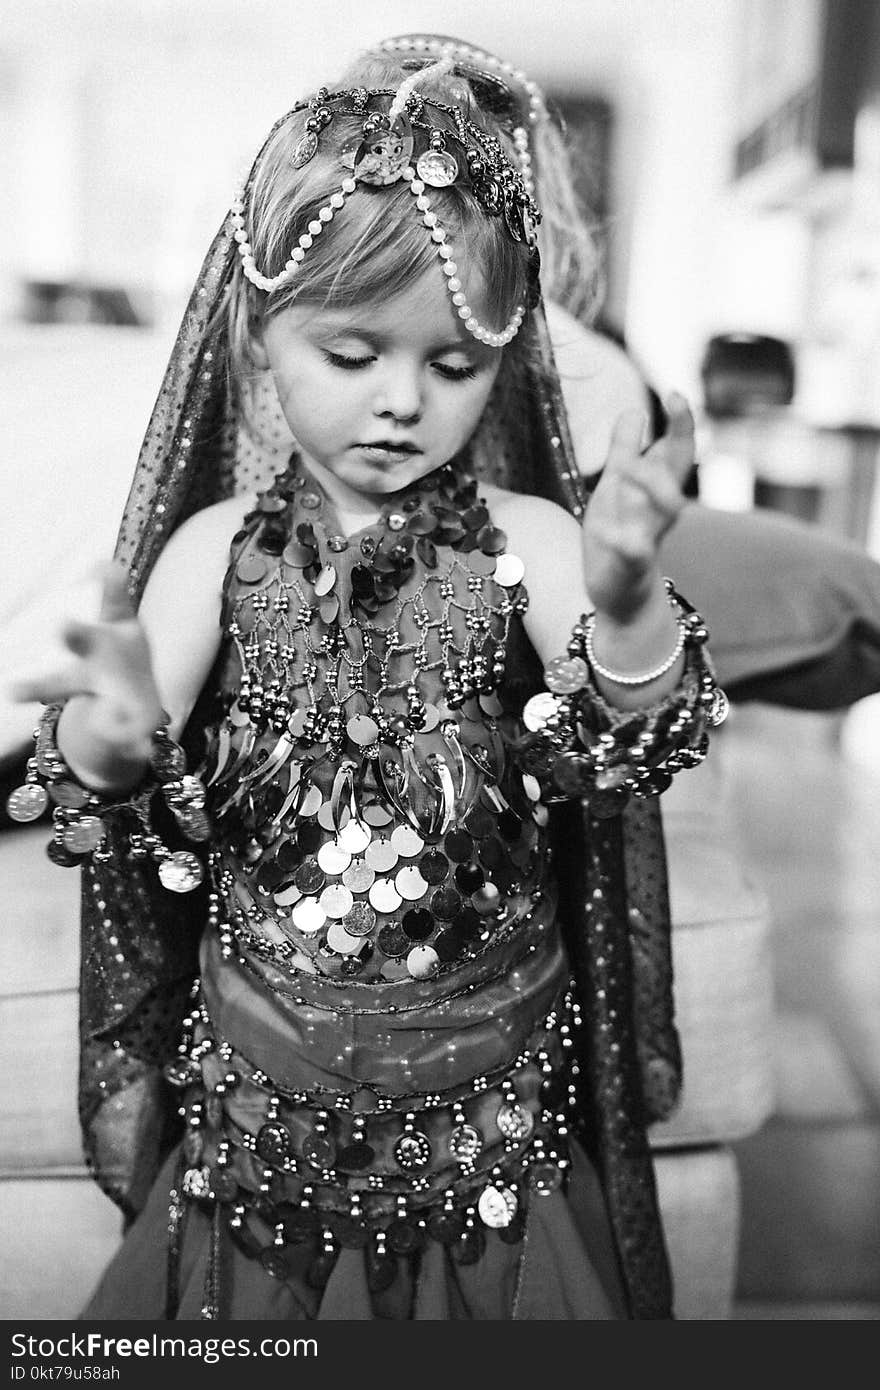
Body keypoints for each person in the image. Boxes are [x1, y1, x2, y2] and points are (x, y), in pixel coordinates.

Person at [8, 36, 727, 1321]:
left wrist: (622, 602)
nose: (402, 402)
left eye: (455, 366)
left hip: (490, 1122)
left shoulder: (533, 538)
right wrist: (113, 739)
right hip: (260, 1121)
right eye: (352, 356)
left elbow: (639, 734)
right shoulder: (213, 552)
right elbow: (114, 775)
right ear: (258, 326)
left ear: (508, 357)